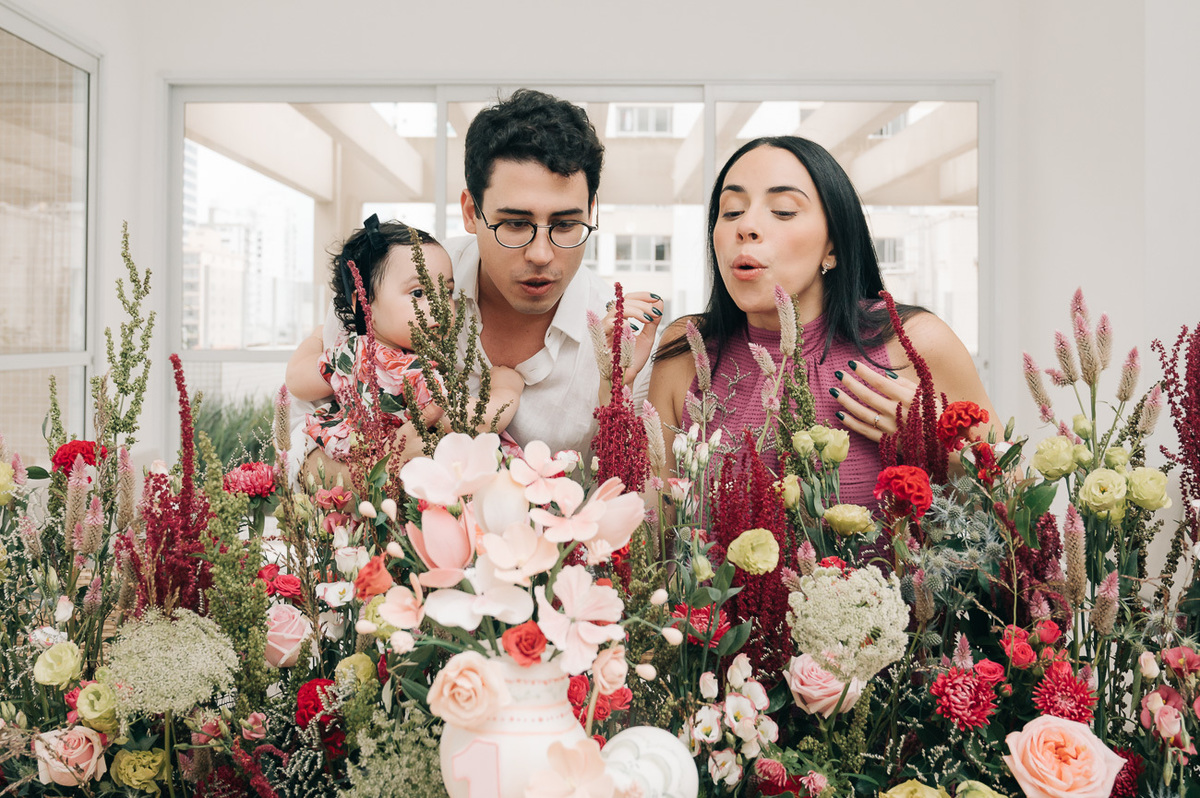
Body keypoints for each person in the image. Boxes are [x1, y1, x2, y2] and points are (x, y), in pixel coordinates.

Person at [287, 89, 663, 477]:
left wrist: (612, 394)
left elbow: (638, 491)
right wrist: (381, 473)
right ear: (470, 212)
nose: (541, 254)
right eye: (515, 224)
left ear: (591, 211)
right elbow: (296, 441)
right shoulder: (394, 280)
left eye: (566, 224)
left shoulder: (628, 342)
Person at [647, 136, 998, 507]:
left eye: (783, 211)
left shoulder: (915, 342)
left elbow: (1014, 508)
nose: (746, 226)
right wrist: (615, 381)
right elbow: (652, 530)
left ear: (833, 245)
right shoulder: (687, 349)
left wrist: (942, 447)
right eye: (732, 211)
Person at [287, 218, 524, 484]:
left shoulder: (348, 354)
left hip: (357, 481)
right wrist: (506, 390)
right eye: (418, 293)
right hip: (407, 485)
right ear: (363, 304)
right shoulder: (412, 374)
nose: (439, 306)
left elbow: (297, 380)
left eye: (446, 291)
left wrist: (316, 338)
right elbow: (479, 422)